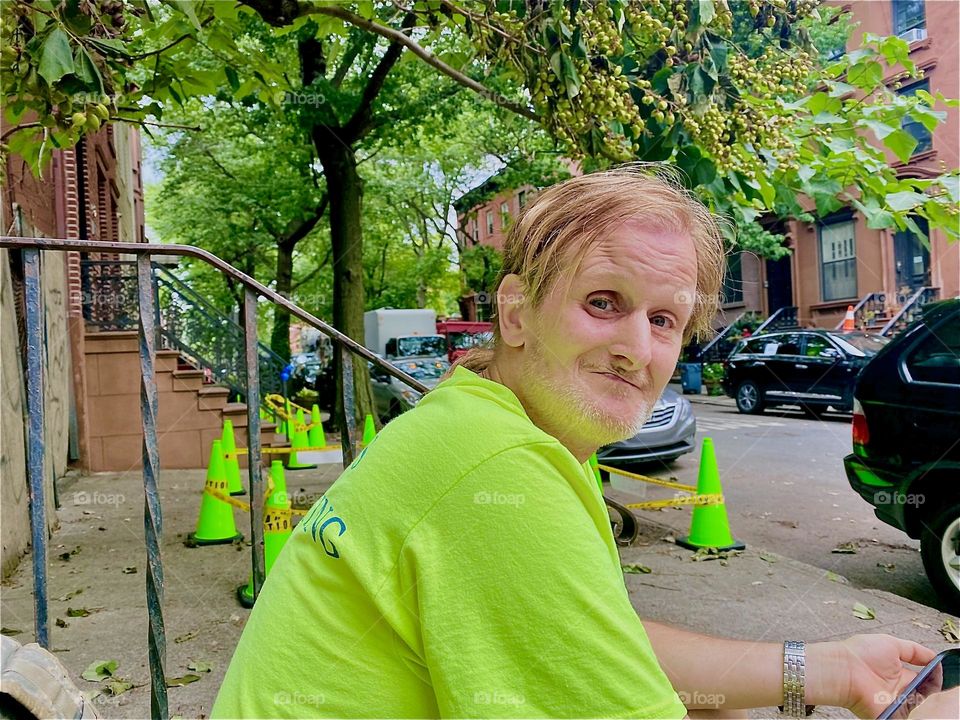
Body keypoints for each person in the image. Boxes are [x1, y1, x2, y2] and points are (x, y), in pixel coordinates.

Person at [212, 166, 943, 719]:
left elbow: (589, 642)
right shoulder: (496, 467)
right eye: (603, 303)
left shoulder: (479, 423)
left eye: (663, 320)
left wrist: (828, 669)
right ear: (517, 312)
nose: (636, 348)